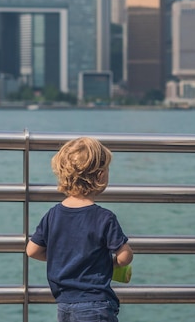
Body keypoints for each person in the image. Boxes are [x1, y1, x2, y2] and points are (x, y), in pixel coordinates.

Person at [26, 137, 133, 322]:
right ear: (100, 176)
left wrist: (64, 259)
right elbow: (125, 257)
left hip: (65, 304)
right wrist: (111, 264)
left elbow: (32, 250)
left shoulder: (53, 215)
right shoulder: (104, 217)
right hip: (97, 305)